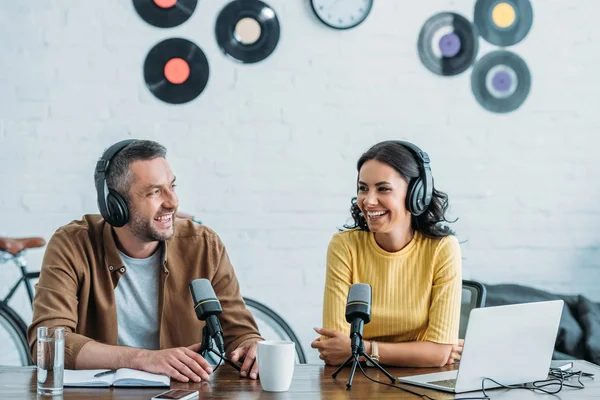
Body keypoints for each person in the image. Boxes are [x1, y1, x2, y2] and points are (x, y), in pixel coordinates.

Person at [27, 139, 263, 383]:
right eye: (154, 192)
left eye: (172, 186)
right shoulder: (72, 244)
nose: (173, 202)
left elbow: (240, 332)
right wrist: (143, 359)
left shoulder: (203, 244)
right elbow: (49, 345)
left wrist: (251, 346)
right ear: (115, 205)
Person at [311, 140, 463, 368]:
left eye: (383, 189)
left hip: (421, 385)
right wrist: (421, 352)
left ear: (416, 194)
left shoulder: (442, 249)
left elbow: (438, 354)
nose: (369, 201)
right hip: (356, 383)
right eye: (363, 188)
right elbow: (334, 349)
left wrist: (362, 349)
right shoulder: (345, 246)